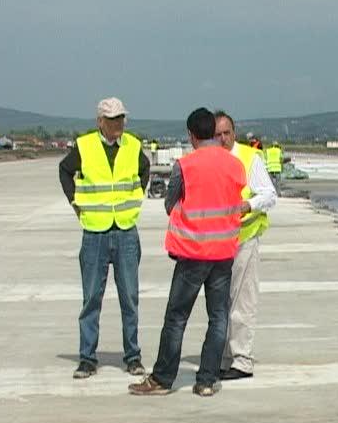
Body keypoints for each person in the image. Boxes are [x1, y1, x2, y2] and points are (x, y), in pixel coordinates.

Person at [129, 108, 246, 397]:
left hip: (192, 253)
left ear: (192, 135)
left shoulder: (185, 165)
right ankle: (206, 380)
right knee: (218, 317)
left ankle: (162, 379)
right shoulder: (234, 164)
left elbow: (170, 203)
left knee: (177, 317)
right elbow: (235, 200)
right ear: (213, 132)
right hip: (224, 252)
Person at [59, 97, 150, 379]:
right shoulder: (84, 146)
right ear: (100, 121)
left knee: (130, 298)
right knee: (91, 299)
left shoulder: (133, 145)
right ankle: (87, 358)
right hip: (95, 232)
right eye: (112, 119)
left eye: (121, 118)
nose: (118, 124)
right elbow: (65, 170)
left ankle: (133, 356)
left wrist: (135, 197)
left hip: (125, 231)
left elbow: (144, 171)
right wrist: (76, 203)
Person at [214, 111, 277, 380]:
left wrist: (247, 205)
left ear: (234, 133)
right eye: (217, 134)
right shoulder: (212, 160)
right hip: (217, 241)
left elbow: (269, 194)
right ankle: (224, 356)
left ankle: (242, 359)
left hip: (244, 238)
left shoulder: (249, 158)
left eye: (226, 133)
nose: (222, 138)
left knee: (242, 301)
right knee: (220, 303)